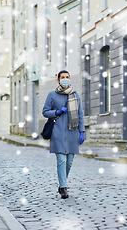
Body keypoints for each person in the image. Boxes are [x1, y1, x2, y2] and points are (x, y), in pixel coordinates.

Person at [42, 70, 85, 199]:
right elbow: (45, 112)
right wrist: (57, 111)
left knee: (69, 162)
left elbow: (80, 114)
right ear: (58, 80)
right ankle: (63, 188)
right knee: (61, 160)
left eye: (67, 77)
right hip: (58, 132)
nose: (65, 79)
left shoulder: (75, 94)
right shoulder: (52, 95)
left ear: (70, 79)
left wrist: (82, 131)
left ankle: (62, 182)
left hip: (72, 132)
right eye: (63, 77)